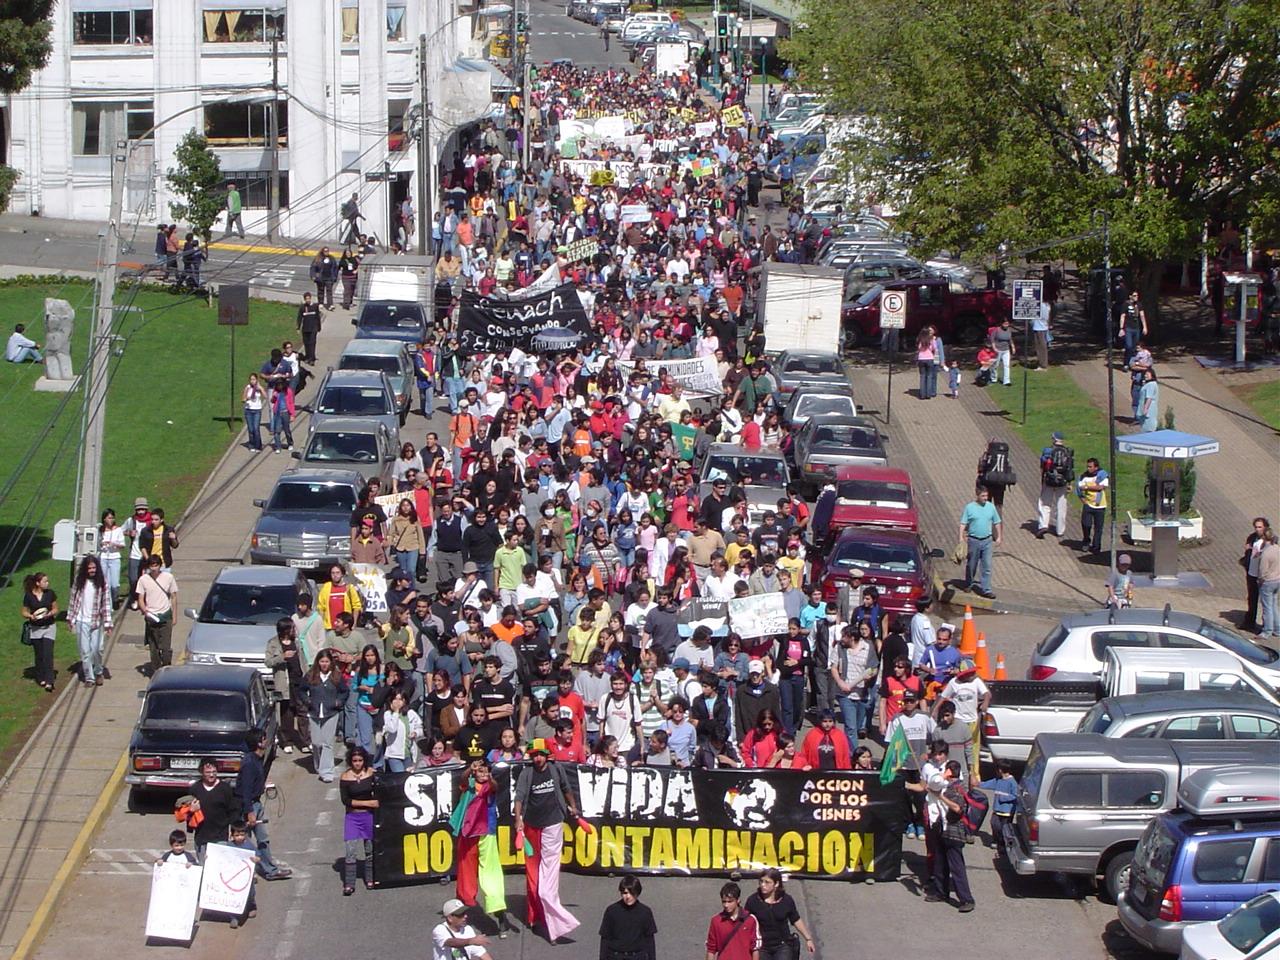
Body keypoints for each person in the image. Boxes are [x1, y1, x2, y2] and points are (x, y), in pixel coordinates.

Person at [513, 739, 581, 942]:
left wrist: (573, 806)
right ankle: (535, 917)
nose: (538, 759)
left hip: (552, 824)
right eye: (534, 755)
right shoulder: (527, 773)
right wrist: (518, 820)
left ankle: (555, 920)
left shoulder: (555, 769)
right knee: (532, 877)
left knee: (547, 880)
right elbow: (519, 797)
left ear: (546, 755)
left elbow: (566, 788)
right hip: (532, 827)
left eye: (541, 754)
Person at [450, 758, 514, 934]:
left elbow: (494, 785)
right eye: (480, 772)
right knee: (466, 876)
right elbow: (462, 780)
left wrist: (489, 776)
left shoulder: (490, 787)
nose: (483, 774)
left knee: (491, 875)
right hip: (468, 835)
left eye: (486, 771)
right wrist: (469, 769)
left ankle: (500, 917)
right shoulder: (469, 785)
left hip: (486, 835)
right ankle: (460, 917)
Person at [235, 730, 291, 880]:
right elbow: (245, 790)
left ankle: (270, 870)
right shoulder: (249, 763)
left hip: (256, 803)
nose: (266, 741)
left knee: (263, 839)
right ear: (259, 743)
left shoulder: (258, 759)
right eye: (264, 739)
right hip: (249, 806)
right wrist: (249, 812)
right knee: (242, 840)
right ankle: (246, 871)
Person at [744, 868, 816, 959]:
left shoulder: (786, 900)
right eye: (761, 881)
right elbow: (745, 923)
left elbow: (796, 919)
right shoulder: (753, 901)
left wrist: (808, 939)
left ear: (776, 884)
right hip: (762, 947)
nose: (763, 885)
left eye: (767, 882)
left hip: (782, 945)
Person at [301, 649, 349, 783]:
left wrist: (338, 702)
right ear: (318, 662)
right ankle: (319, 765)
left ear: (330, 662)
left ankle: (327, 771)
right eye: (322, 661)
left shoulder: (336, 676)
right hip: (314, 713)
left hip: (331, 713)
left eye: (327, 661)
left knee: (327, 743)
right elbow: (301, 690)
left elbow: (344, 692)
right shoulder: (310, 676)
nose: (324, 664)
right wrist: (307, 701)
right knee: (316, 743)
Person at [266, 617, 309, 754]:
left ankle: (305, 741)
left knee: (302, 711)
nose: (294, 631)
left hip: (298, 681)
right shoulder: (273, 643)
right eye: (292, 628)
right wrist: (282, 657)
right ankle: (286, 740)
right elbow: (268, 662)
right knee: (287, 713)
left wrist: (307, 677)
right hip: (284, 682)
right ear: (285, 630)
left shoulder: (297, 642)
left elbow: (303, 660)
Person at [67, 555, 112, 687]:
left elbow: (106, 604)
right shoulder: (79, 581)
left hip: (97, 622)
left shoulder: (102, 583)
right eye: (89, 568)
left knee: (97, 649)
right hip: (82, 621)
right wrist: (70, 618)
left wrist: (108, 623)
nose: (92, 570)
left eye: (94, 568)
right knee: (85, 651)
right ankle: (89, 677)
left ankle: (98, 671)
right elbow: (73, 600)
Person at [339, 746, 378, 894]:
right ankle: (349, 883)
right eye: (355, 761)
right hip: (353, 817)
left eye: (360, 760)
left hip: (368, 816)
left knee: (369, 850)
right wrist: (368, 803)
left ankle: (370, 878)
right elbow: (346, 800)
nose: (357, 764)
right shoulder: (345, 777)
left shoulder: (371, 773)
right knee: (350, 851)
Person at [185, 758, 237, 859]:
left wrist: (234, 830)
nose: (211, 775)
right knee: (204, 869)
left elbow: (233, 810)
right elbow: (187, 815)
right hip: (202, 837)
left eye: (214, 772)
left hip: (220, 836)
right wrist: (191, 811)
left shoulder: (225, 789)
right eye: (208, 772)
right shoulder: (195, 789)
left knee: (218, 869)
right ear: (202, 772)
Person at [599, 874, 657, 960]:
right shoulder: (612, 911)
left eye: (632, 893)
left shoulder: (645, 912)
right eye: (625, 893)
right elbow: (605, 938)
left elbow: (649, 939)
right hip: (615, 956)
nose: (628, 896)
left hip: (637, 956)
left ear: (638, 893)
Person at [136, 555, 177, 674]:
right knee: (153, 647)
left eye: (156, 565)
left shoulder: (168, 577)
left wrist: (174, 616)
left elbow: (174, 597)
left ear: (160, 566)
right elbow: (140, 598)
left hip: (165, 615)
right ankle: (156, 670)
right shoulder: (143, 580)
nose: (154, 568)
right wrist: (145, 611)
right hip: (151, 617)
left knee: (165, 647)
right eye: (152, 566)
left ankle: (166, 667)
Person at [958, 486, 1001, 599]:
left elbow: (997, 522)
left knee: (987, 565)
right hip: (973, 540)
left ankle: (986, 589)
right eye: (983, 496)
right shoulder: (970, 508)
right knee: (972, 564)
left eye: (986, 496)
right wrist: (961, 537)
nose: (985, 498)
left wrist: (999, 537)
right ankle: (969, 583)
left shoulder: (991, 507)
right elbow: (963, 523)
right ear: (977, 496)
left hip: (987, 540)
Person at [705, 881, 762, 960]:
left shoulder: (750, 920)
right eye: (724, 901)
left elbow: (755, 948)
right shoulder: (716, 921)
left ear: (738, 900)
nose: (726, 905)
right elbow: (711, 949)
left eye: (730, 901)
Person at [21, 571, 58, 691]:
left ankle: (49, 681)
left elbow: (55, 608)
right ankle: (40, 676)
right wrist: (31, 616)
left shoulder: (50, 594)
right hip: (36, 629)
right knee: (39, 654)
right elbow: (24, 611)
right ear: (38, 583)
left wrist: (50, 613)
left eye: (47, 581)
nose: (47, 583)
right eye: (45, 581)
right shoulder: (29, 596)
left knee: (48, 654)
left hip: (49, 627)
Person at [978, 759, 1019, 857]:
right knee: (994, 824)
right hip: (997, 810)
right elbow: (988, 784)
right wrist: (978, 784)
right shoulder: (998, 780)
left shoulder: (1012, 782)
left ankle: (1002, 847)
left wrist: (1003, 798)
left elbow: (1015, 795)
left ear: (1000, 770)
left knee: (1004, 829)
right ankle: (996, 840)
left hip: (1007, 811)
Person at [1037, 431, 1073, 539]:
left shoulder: (1048, 451)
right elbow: (1070, 469)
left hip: (1048, 481)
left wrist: (1042, 479)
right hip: (1062, 482)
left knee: (1044, 503)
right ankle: (1060, 530)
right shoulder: (1068, 451)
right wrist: (1070, 483)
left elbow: (1042, 466)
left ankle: (1043, 525)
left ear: (1053, 439)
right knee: (1061, 506)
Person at [223, 821, 260, 929]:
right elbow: (222, 857)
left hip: (248, 877)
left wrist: (256, 859)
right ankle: (233, 917)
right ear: (232, 835)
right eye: (237, 835)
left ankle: (251, 906)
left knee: (250, 894)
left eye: (242, 834)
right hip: (234, 876)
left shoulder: (249, 845)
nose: (239, 837)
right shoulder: (229, 846)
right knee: (233, 895)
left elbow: (258, 856)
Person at [1243, 517, 1271, 632]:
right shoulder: (1252, 537)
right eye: (1256, 527)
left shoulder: (1270, 540)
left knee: (1267, 602)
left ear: (1265, 527)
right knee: (1251, 598)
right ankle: (1249, 622)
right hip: (1251, 573)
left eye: (1260, 527)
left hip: (1263, 576)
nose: (1257, 529)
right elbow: (1248, 551)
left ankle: (1268, 626)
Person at [1076, 457, 1109, 554]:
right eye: (1087, 466)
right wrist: (1083, 500)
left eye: (1090, 467)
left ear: (1096, 467)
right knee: (1086, 525)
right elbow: (1079, 489)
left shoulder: (1102, 475)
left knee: (1098, 528)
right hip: (1088, 505)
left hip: (1100, 506)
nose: (1088, 468)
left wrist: (1087, 487)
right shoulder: (1083, 477)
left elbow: (1100, 487)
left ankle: (1096, 546)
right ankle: (1086, 541)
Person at [1258, 527, 1280, 641]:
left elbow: (1262, 571)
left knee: (1267, 607)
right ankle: (1277, 629)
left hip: (1268, 582)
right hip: (1277, 580)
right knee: (1274, 605)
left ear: (1263, 537)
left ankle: (1267, 630)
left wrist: (1260, 579)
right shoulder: (1277, 548)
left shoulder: (1266, 553)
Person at [242, 372, 266, 452]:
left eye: (254, 379)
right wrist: (247, 398)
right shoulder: (248, 387)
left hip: (257, 410)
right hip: (248, 410)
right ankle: (251, 444)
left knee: (256, 428)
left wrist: (261, 388)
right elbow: (243, 399)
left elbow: (265, 396)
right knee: (251, 429)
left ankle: (258, 445)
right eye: (251, 379)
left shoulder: (258, 388)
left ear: (256, 380)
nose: (252, 381)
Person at [296, 291, 322, 364]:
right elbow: (299, 318)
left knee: (312, 343)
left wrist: (319, 327)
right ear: (304, 299)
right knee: (306, 343)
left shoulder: (314, 306)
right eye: (306, 299)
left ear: (311, 298)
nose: (308, 300)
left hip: (313, 328)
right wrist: (298, 328)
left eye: (309, 298)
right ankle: (307, 356)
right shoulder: (302, 307)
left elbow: (317, 317)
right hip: (305, 328)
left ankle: (312, 358)